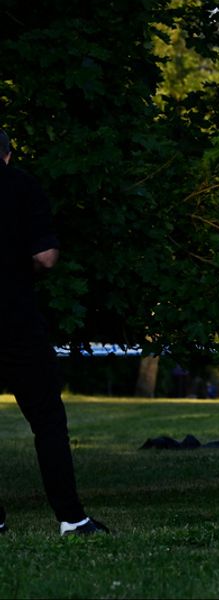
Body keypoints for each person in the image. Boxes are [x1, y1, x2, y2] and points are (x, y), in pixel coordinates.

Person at [0, 129, 109, 536]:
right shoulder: (22, 185)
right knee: (47, 419)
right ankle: (70, 516)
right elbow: (45, 257)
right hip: (15, 316)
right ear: (7, 155)